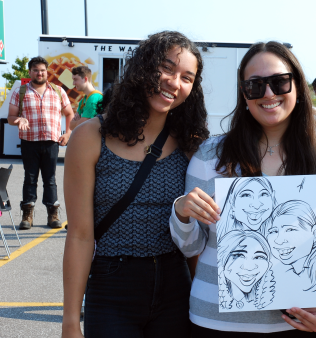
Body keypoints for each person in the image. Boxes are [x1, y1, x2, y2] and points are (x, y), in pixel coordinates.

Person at [170, 41, 316, 337]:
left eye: (280, 82)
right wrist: (183, 213)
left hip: (298, 324)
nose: (268, 94)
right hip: (215, 324)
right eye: (255, 85)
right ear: (244, 94)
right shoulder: (210, 156)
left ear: (298, 87)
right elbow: (191, 246)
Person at [61, 31, 209, 338]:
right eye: (167, 68)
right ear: (143, 67)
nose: (174, 82)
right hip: (112, 286)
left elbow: (199, 237)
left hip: (176, 285)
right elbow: (79, 235)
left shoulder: (190, 144)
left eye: (187, 77)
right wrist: (70, 321)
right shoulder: (90, 136)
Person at [7, 56, 74, 230]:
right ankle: (27, 214)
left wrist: (67, 133)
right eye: (36, 70)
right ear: (30, 72)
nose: (39, 73)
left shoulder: (58, 91)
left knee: (50, 179)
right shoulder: (21, 91)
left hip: (51, 142)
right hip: (29, 141)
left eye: (42, 70)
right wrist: (18, 120)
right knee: (30, 178)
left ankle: (53, 213)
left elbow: (69, 114)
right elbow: (11, 117)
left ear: (47, 72)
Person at [264, 200, 316, 292]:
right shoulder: (278, 278)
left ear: (315, 233)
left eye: (290, 229)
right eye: (273, 231)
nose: (278, 240)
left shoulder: (315, 279)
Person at [218, 229, 276, 311]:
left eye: (259, 257)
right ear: (222, 259)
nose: (249, 267)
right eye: (238, 255)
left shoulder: (278, 294)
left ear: (269, 264)